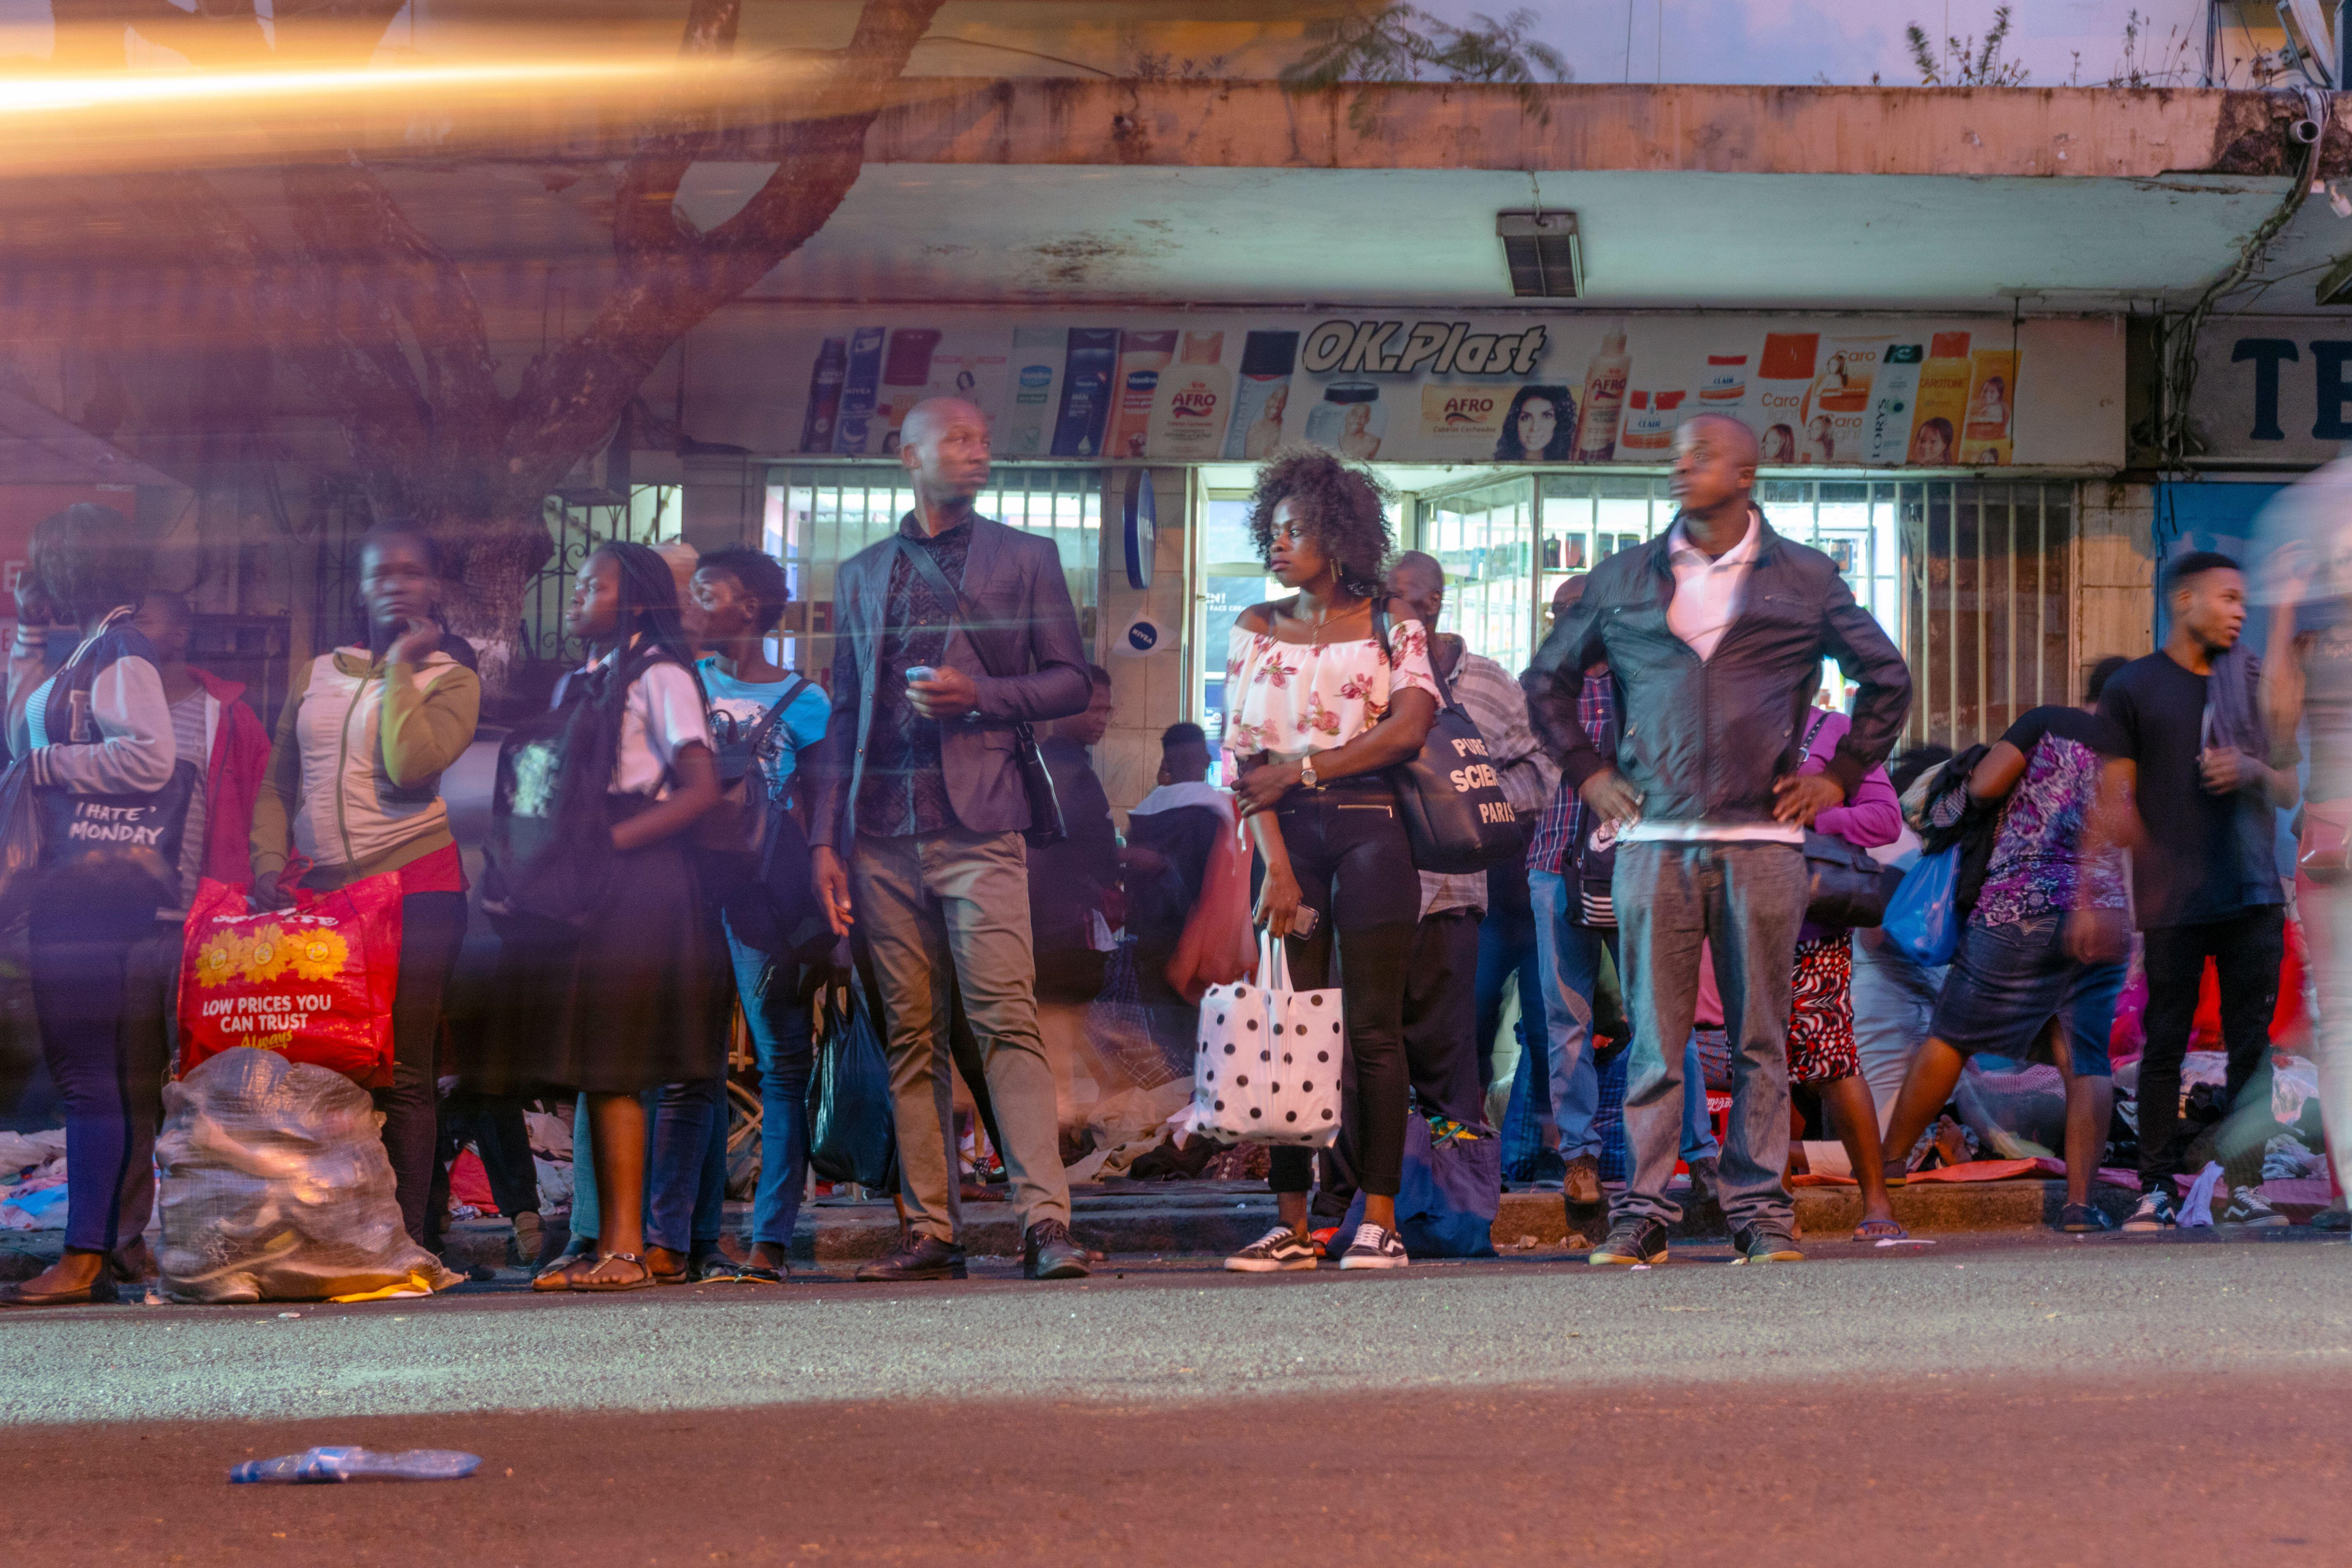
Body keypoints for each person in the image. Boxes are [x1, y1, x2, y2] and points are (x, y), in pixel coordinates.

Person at [1526, 414, 1912, 1267]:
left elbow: (1886, 676)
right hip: (1653, 839)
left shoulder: (1805, 576)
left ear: (1745, 474)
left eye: (1702, 454)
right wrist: (1587, 769)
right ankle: (1645, 1212)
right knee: (1658, 1043)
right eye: (1678, 452)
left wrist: (1840, 776)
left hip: (1761, 840)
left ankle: (1760, 1213)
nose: (1681, 464)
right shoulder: (1625, 575)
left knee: (1760, 1037)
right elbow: (1546, 679)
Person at [806, 397, 1093, 1283]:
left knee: (1007, 1019)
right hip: (879, 832)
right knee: (912, 1036)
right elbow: (843, 708)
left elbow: (1072, 681)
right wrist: (825, 839)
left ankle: (1045, 1220)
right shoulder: (859, 572)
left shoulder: (1026, 556)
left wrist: (983, 697)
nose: (980, 452)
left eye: (983, 438)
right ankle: (932, 1227)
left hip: (980, 825)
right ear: (910, 456)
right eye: (960, 440)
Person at [1217, 447, 1438, 1272]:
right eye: (1273, 530)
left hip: (1374, 830)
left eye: (1296, 530)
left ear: (1339, 536)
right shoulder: (1255, 625)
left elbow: (1407, 729)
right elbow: (1240, 753)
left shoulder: (1392, 624)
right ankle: (1292, 1222)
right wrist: (1275, 862)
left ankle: (1378, 1219)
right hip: (1285, 844)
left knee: (1375, 1029)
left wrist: (1305, 767)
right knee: (1288, 1025)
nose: (1279, 544)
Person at [249, 522, 483, 1253]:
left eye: (411, 573)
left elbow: (411, 765)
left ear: (433, 585)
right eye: (380, 573)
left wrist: (403, 669)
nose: (395, 584)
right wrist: (265, 861)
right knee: (326, 1065)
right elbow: (278, 781)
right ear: (360, 584)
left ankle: (405, 1241)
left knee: (404, 1069)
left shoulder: (450, 677)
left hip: (417, 886)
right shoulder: (317, 672)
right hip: (323, 899)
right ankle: (330, 1234)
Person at [497, 541, 722, 1292]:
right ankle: (600, 1243)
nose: (576, 594)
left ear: (634, 601)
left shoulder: (660, 673)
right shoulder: (584, 678)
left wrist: (607, 844)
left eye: (594, 584)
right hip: (586, 881)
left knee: (619, 1067)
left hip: (641, 879)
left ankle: (626, 1249)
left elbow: (698, 790)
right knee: (595, 1067)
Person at [1862, 661, 2137, 1235]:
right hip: (2105, 913)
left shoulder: (2048, 723)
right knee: (2084, 1059)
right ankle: (2080, 1204)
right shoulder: (2138, 752)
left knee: (1954, 1032)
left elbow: (1985, 786)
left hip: (2020, 906)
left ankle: (1886, 1167)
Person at [0, 505, 177, 1307]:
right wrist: (28, 639)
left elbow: (149, 756)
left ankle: (84, 1257)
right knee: (86, 1074)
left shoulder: (119, 648)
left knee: (89, 1076)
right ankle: (90, 1249)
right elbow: (17, 734)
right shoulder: (87, 646)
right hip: (69, 891)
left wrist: (47, 761)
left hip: (93, 895)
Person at [2099, 551, 2297, 1231]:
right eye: (2227, 598)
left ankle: (2244, 1191)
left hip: (2251, 895)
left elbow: (2290, 785)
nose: (2239, 611)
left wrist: (2248, 767)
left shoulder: (2249, 679)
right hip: (2171, 901)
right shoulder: (2132, 687)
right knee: (2163, 1045)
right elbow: (2113, 797)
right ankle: (2154, 1187)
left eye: (2245, 600)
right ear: (2184, 600)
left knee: (2251, 1050)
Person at [1523, 574, 1723, 1221]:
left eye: (1573, 612)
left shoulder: (1646, 680)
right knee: (1566, 1021)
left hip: (1636, 867)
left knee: (1664, 1021)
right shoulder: (1541, 687)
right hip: (1555, 863)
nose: (1562, 623)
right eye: (1556, 613)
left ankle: (1698, 1156)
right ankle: (1581, 1157)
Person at [691, 545, 831, 1282]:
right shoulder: (683, 680)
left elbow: (823, 808)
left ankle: (770, 1238)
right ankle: (693, 1232)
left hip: (764, 897)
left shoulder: (807, 699)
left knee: (781, 1065)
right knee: (689, 1064)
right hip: (687, 889)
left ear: (749, 606)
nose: (694, 603)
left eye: (707, 591)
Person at [1385, 551, 1557, 1129]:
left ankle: (1454, 1185)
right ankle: (1376, 1185)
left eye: (1401, 595)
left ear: (1432, 603)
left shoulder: (1486, 681)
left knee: (1451, 1047)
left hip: (1455, 894)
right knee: (1374, 1043)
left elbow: (1540, 769)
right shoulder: (1366, 670)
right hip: (1372, 890)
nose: (1387, 608)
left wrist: (1467, 801)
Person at [1780, 707, 1904, 1237]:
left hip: (1813, 922)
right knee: (1757, 1062)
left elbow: (1885, 819)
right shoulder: (1726, 723)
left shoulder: (1832, 730)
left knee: (1832, 1058)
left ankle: (1877, 1200)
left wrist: (1814, 815)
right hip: (1735, 918)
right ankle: (1771, 1209)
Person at [2262, 539, 2352, 1229]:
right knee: (2337, 1023)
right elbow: (2277, 734)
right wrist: (2286, 611)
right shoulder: (2310, 640)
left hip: (2329, 834)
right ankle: (2348, 1190)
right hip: (2327, 841)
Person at [1031, 665, 1123, 1129]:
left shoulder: (1062, 764)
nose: (1102, 717)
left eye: (1107, 708)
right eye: (1093, 707)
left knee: (1058, 1040)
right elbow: (1073, 854)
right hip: (1058, 931)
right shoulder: (1062, 769)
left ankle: (1057, 1132)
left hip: (1054, 930)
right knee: (1055, 1041)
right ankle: (1053, 1144)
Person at [1495, 385, 1577, 462]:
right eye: (1526, 418)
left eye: (1546, 416)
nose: (1534, 428)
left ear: (1558, 422)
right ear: (1515, 423)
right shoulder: (1499, 464)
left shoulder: (1569, 461)